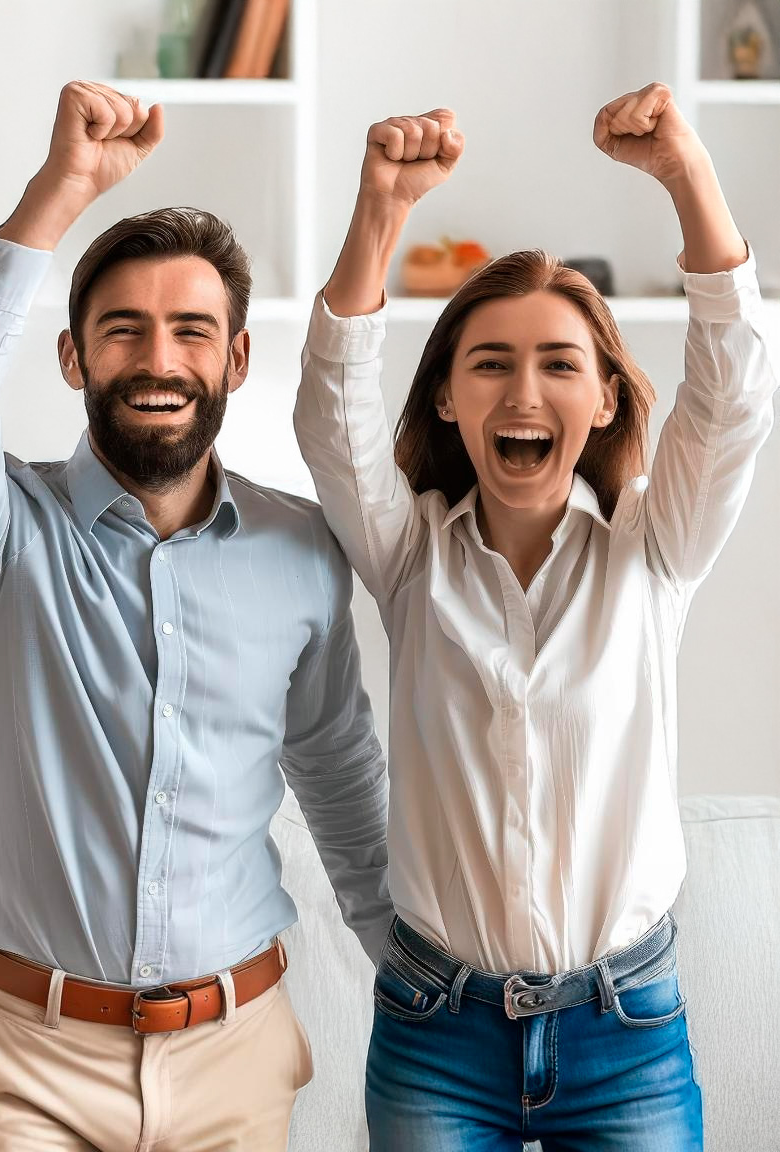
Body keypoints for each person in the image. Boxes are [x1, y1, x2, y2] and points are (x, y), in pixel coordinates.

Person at [0, 81, 392, 1151]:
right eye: (123, 331)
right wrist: (59, 190)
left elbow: (343, 787)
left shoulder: (301, 552)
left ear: (234, 362)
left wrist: (434, 988)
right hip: (29, 1061)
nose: (158, 360)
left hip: (236, 1057)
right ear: (74, 359)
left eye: (190, 331)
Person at [293, 83, 777, 1150]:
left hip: (625, 1032)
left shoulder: (652, 553)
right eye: (489, 364)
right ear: (444, 402)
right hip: (436, 1033)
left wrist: (685, 174)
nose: (524, 389)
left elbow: (731, 393)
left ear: (602, 400)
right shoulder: (407, 551)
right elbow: (331, 417)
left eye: (559, 364)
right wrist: (380, 208)